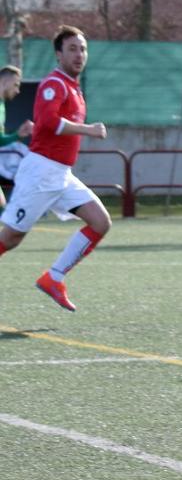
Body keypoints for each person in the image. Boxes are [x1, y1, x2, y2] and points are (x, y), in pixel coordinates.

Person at [0, 26, 109, 312]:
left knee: (100, 222)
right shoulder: (55, 84)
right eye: (72, 48)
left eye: (82, 49)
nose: (79, 54)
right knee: (11, 238)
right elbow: (49, 122)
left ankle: (54, 278)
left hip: (61, 174)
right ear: (59, 54)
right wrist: (89, 130)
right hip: (40, 172)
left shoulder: (74, 87)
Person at [0, 64, 35, 207]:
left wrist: (17, 135)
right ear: (4, 82)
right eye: (16, 84)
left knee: (3, 209)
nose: (18, 90)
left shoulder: (2, 105)